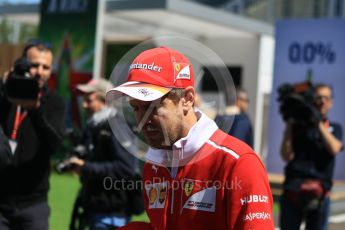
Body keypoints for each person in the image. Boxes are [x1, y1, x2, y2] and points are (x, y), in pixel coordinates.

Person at [106, 47, 274, 229]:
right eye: (136, 108)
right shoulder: (154, 166)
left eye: (151, 107)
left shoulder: (238, 162)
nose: (141, 121)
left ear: (187, 98)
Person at [0, 39, 65, 229]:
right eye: (34, 65)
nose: (39, 71)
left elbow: (54, 145)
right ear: (22, 63)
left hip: (33, 203)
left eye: (46, 67)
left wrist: (36, 111)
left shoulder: (54, 102)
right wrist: (6, 92)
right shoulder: (5, 94)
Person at [65, 78, 141, 230]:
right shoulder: (94, 125)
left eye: (89, 100)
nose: (84, 105)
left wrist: (86, 167)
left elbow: (126, 169)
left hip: (113, 216)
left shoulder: (118, 126)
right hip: (94, 209)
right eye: (84, 100)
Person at [279, 83, 343, 230]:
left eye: (325, 98)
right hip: (293, 190)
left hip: (320, 193)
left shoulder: (334, 127)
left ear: (331, 102)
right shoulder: (297, 125)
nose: (321, 101)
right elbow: (286, 155)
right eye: (318, 97)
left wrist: (318, 123)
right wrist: (290, 124)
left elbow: (334, 148)